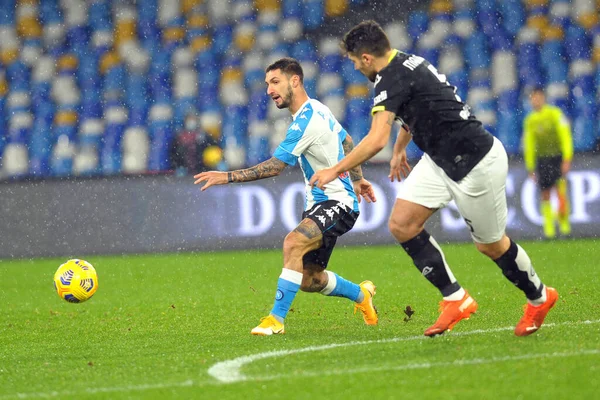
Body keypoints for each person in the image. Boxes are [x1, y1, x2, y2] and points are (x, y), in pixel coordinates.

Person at [309, 20, 558, 337]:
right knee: (402, 223)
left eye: (355, 61)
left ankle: (539, 296)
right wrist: (400, 149)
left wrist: (334, 169)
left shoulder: (391, 79)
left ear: (367, 58)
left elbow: (374, 140)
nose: (356, 67)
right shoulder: (406, 62)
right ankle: (456, 299)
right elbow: (415, 113)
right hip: (441, 159)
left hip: (475, 162)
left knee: (491, 246)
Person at [194, 57, 378, 335]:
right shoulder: (318, 108)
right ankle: (362, 295)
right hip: (319, 203)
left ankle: (275, 320)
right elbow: (346, 140)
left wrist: (226, 176)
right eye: (267, 84)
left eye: (275, 82)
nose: (269, 90)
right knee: (309, 280)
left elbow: (275, 166)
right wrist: (359, 178)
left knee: (293, 242)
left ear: (295, 81)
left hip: (338, 202)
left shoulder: (306, 120)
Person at [523, 87, 573, 239]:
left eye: (537, 97)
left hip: (557, 157)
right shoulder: (530, 120)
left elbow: (565, 136)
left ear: (543, 98)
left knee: (560, 193)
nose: (535, 100)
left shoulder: (555, 114)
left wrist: (567, 158)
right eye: (533, 98)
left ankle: (565, 229)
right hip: (543, 160)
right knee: (545, 194)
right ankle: (549, 231)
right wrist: (530, 165)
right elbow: (529, 144)